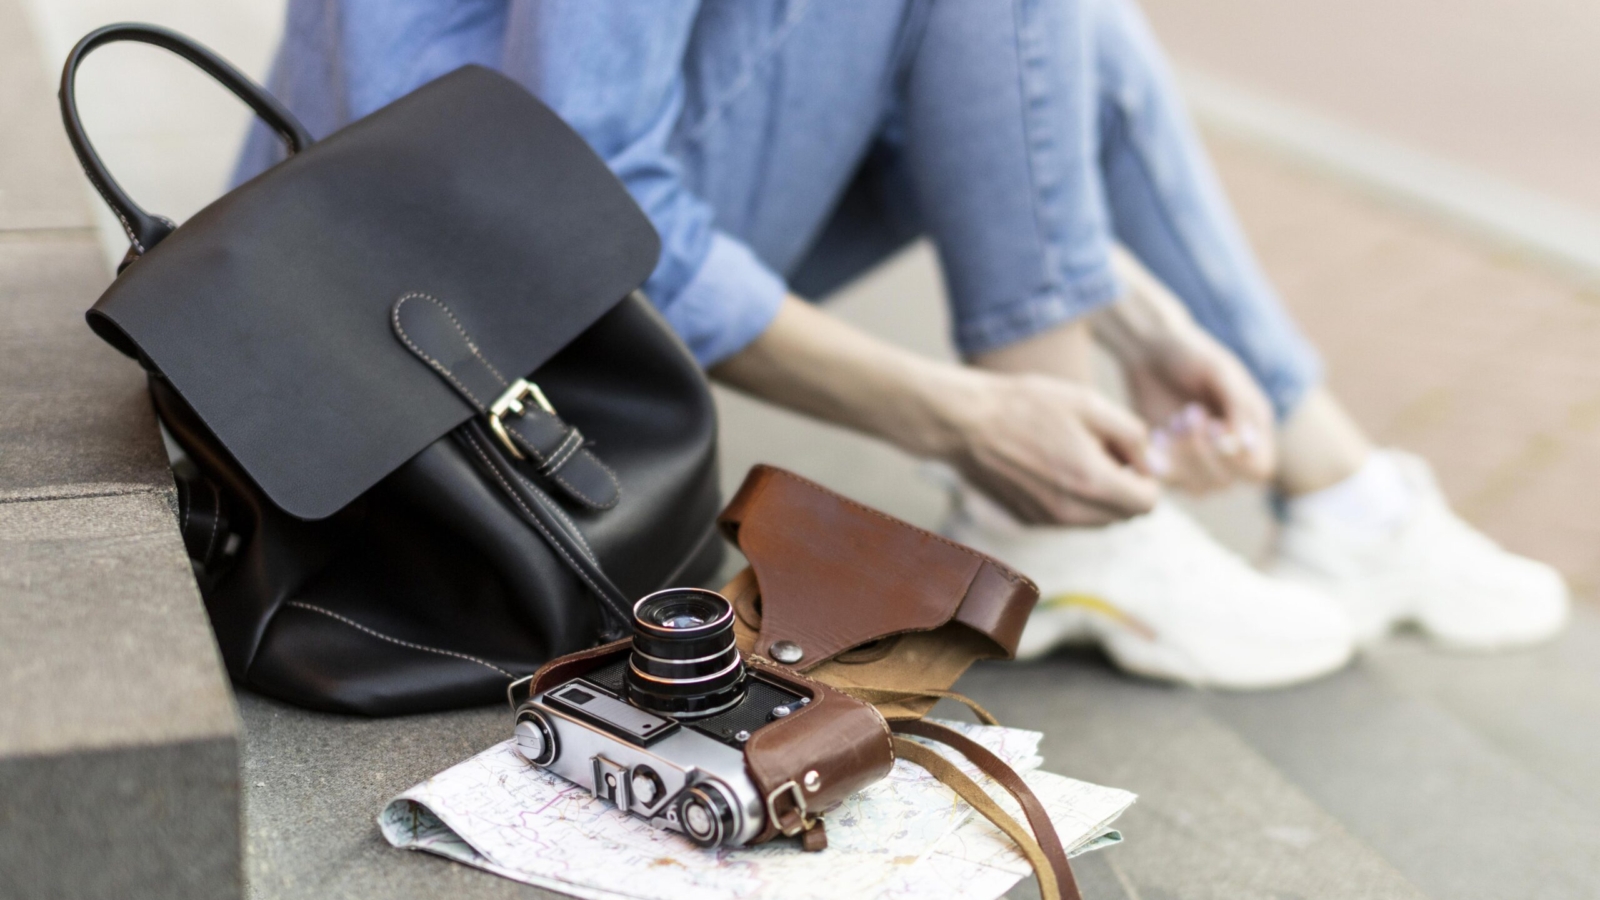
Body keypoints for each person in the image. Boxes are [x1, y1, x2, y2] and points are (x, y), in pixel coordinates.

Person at [240, 0, 1569, 689]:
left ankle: (1338, 488)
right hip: (421, 308)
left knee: (1057, 26)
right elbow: (579, 187)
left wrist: (1141, 318)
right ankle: (1090, 504)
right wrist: (959, 416)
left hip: (427, 238)